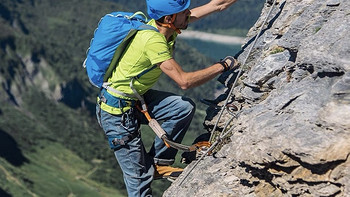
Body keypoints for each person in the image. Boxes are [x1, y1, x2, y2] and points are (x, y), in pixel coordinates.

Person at [96, 0, 239, 196]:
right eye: (183, 11)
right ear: (169, 18)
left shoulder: (164, 26)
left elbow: (216, 5)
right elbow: (184, 81)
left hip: (134, 100)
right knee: (139, 178)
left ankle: (160, 163)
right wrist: (222, 66)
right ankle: (150, 171)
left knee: (182, 107)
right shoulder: (153, 40)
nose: (188, 12)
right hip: (116, 114)